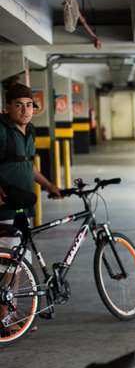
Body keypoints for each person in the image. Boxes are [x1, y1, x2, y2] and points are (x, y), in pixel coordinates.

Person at [1, 83, 61, 334]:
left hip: (23, 204)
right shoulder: (2, 131)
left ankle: (9, 316)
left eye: (29, 105)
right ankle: (4, 318)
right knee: (6, 262)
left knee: (19, 261)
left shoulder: (30, 131)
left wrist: (49, 185)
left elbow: (29, 166)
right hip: (4, 206)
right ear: (8, 108)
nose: (25, 110)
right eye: (19, 105)